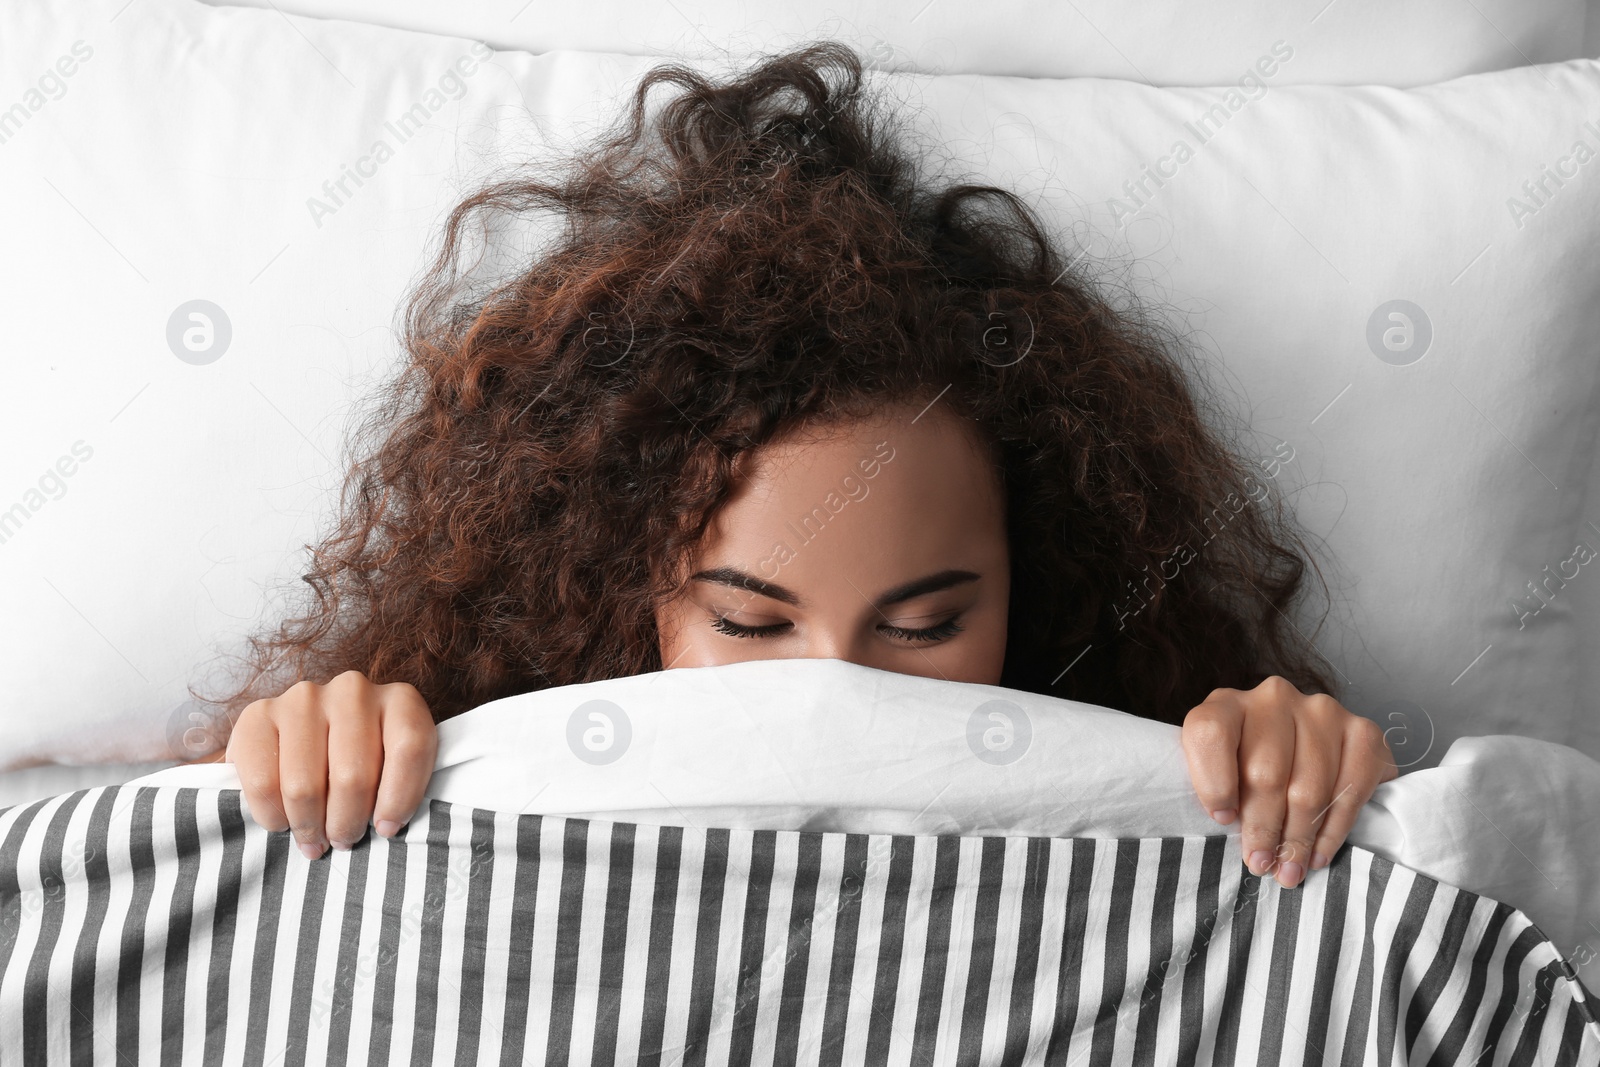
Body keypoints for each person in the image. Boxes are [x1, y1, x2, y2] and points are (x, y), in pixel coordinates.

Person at [193, 41, 1395, 892]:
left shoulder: (1130, 767)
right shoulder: (485, 757)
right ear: (629, 597)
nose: (839, 696)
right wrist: (320, 750)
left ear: (1036, 588)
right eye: (748, 623)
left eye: (923, 625)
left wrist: (1298, 772)